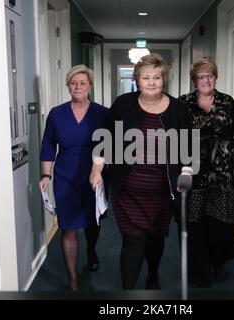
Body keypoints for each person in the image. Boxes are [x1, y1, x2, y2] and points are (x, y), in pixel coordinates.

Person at [89, 53, 192, 290]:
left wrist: (187, 173)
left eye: (157, 77)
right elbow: (105, 139)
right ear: (138, 80)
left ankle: (153, 273)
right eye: (146, 77)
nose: (152, 82)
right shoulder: (123, 104)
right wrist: (96, 170)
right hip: (128, 188)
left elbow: (189, 146)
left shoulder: (178, 109)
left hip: (163, 190)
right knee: (134, 238)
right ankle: (128, 292)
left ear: (164, 79)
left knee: (155, 238)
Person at [178, 58, 234, 288]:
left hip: (225, 173)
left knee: (223, 223)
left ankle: (218, 261)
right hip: (195, 172)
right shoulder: (184, 103)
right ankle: (200, 269)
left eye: (210, 76)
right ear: (194, 80)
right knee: (197, 223)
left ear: (215, 78)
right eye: (201, 76)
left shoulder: (227, 102)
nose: (206, 80)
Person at [39, 65, 108, 291]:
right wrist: (46, 174)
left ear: (90, 86)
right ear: (68, 86)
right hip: (65, 175)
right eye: (73, 83)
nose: (78, 87)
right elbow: (48, 144)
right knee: (68, 226)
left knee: (92, 222)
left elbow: (107, 145)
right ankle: (73, 280)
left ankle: (91, 249)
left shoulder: (102, 113)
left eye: (83, 83)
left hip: (93, 174)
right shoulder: (57, 113)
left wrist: (99, 171)